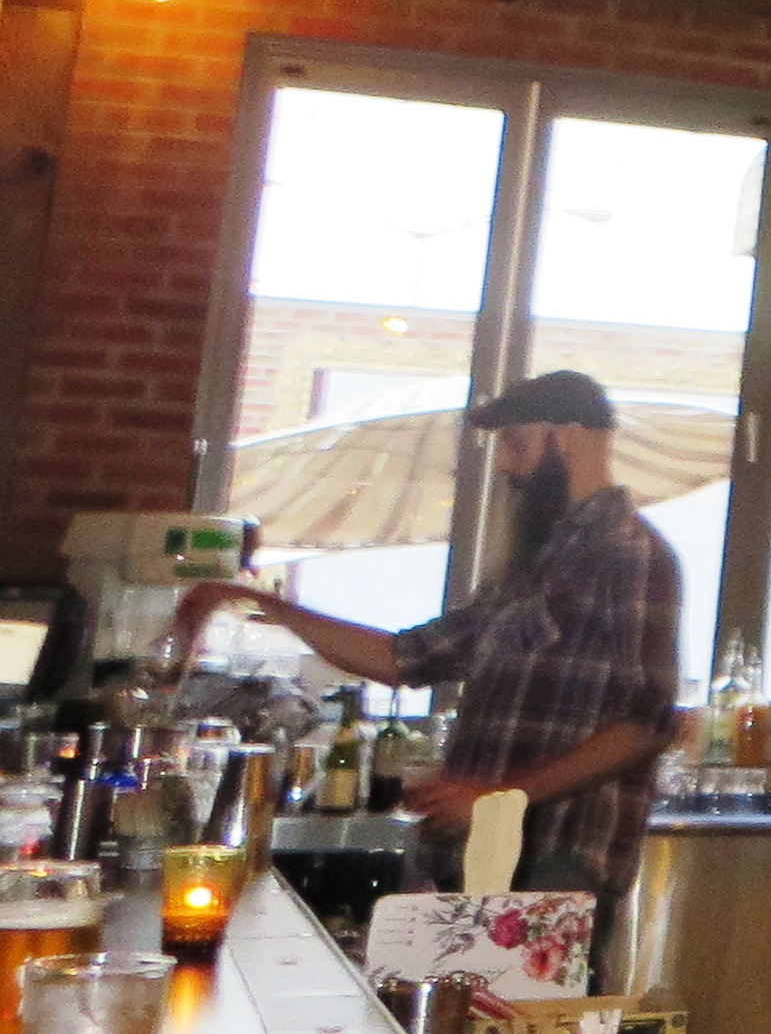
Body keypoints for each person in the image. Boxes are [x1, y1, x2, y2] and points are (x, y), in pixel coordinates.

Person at [173, 370, 679, 939]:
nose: (506, 466)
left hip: (560, 854)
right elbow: (405, 658)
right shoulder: (539, 563)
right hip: (484, 850)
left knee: (529, 1004)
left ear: (569, 437)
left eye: (516, 444)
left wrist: (498, 796)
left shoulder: (629, 553)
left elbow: (647, 724)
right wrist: (265, 604)